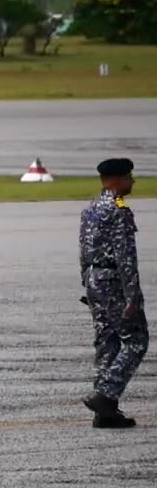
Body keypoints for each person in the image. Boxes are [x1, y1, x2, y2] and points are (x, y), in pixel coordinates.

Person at [80, 157, 146, 428]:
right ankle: (105, 395)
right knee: (136, 340)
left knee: (107, 343)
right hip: (113, 281)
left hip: (94, 279)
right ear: (117, 180)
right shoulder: (119, 211)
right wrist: (132, 295)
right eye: (129, 176)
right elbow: (125, 257)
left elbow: (83, 250)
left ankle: (105, 414)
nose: (133, 181)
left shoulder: (91, 208)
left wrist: (87, 285)